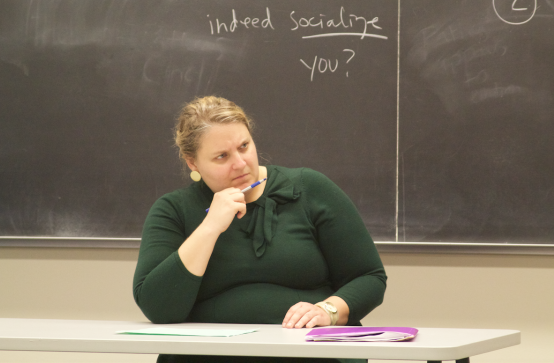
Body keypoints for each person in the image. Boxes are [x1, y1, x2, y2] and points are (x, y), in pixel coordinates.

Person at [133, 96, 387, 363]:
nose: (241, 163)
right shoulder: (173, 209)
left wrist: (329, 310)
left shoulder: (309, 189)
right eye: (222, 156)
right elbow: (158, 307)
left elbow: (369, 277)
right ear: (193, 163)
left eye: (244, 146)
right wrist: (209, 228)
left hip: (309, 355)